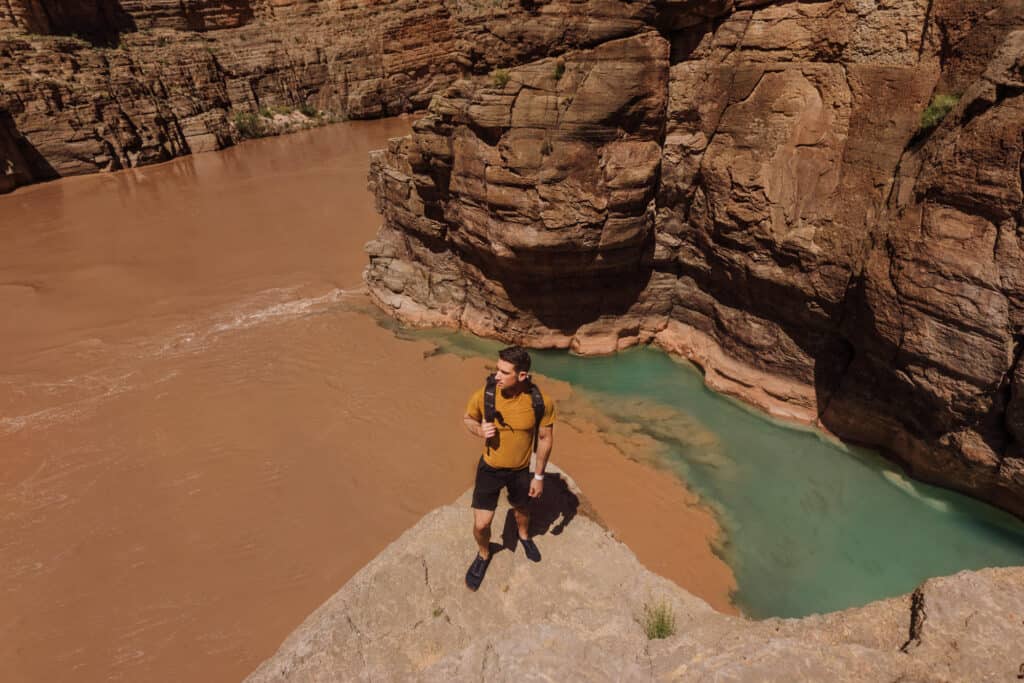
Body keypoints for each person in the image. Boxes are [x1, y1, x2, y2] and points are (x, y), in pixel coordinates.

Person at [462, 346, 555, 591]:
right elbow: (468, 419)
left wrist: (539, 476)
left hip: (520, 471)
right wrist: (480, 430)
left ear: (522, 375)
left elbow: (545, 438)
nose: (497, 376)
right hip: (490, 469)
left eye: (504, 372)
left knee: (522, 510)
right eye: (497, 369)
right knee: (482, 524)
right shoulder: (486, 394)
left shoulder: (540, 402)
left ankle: (524, 536)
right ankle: (484, 554)